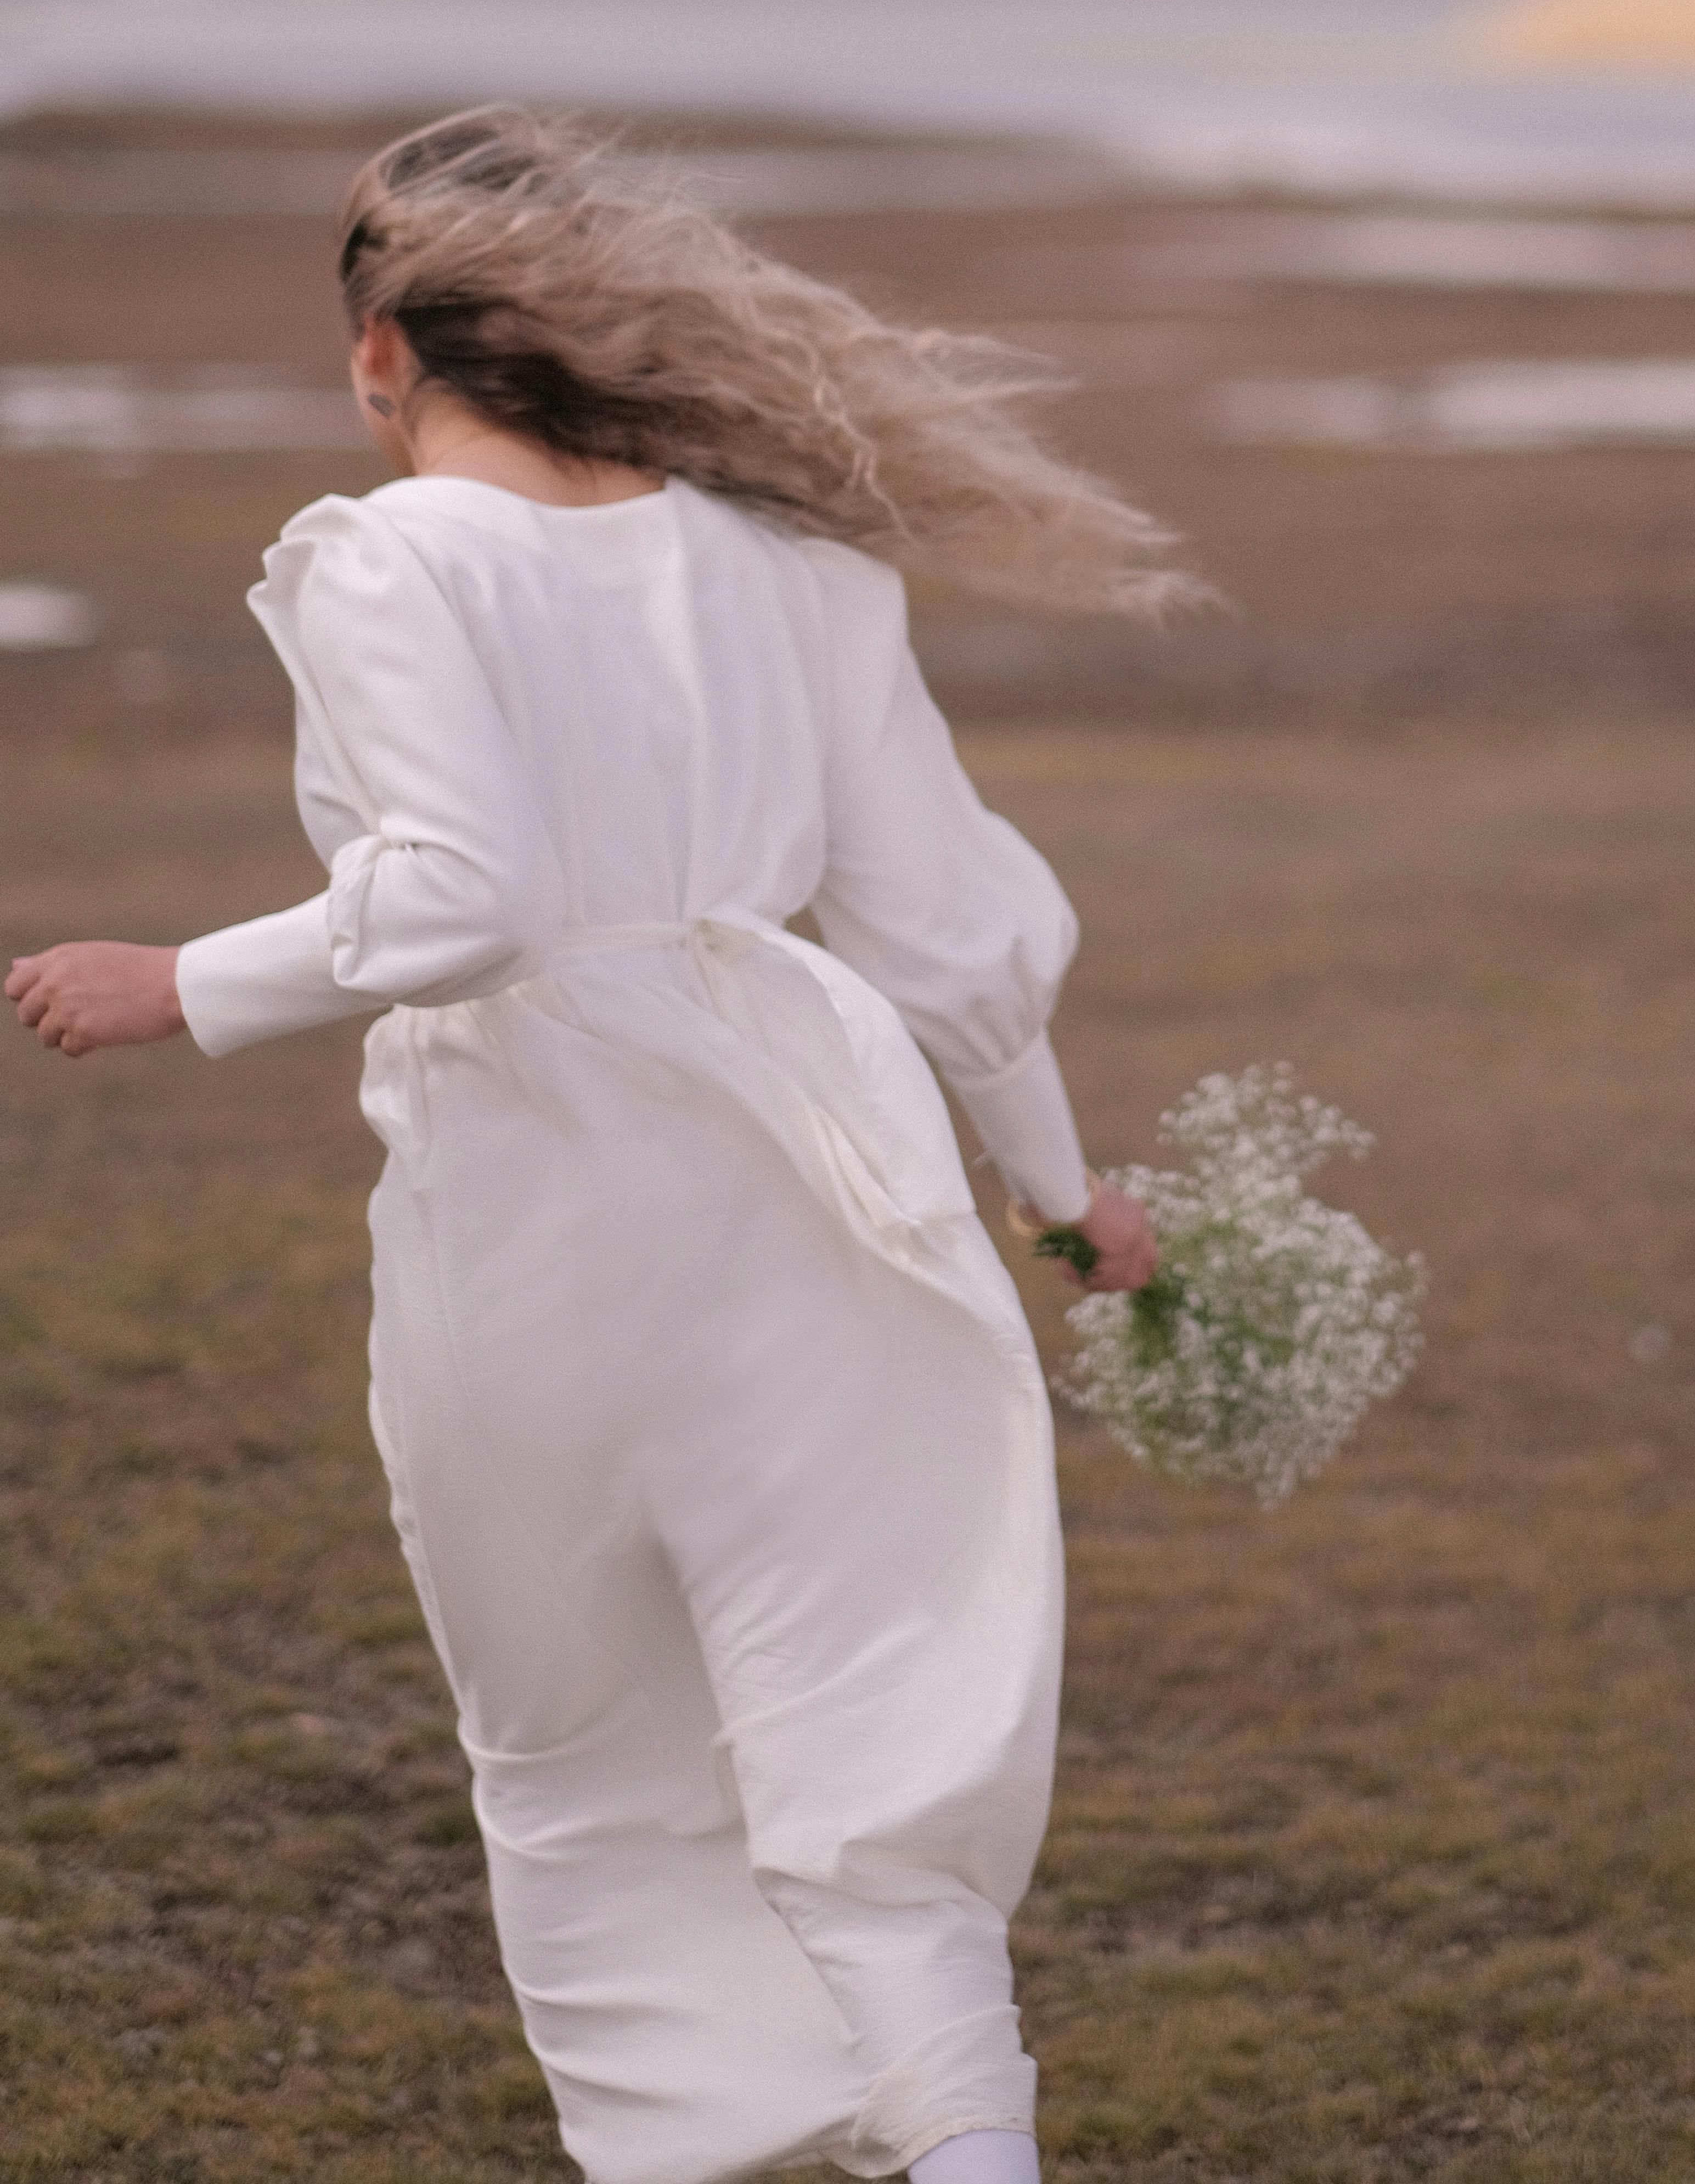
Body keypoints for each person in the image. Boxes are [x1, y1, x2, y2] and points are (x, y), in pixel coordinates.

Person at [7, 109, 1182, 2184]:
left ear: (384, 352)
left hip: (544, 1207)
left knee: (582, 1765)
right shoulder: (797, 563)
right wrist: (1059, 1191)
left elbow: (469, 899)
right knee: (865, 1752)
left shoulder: (389, 558)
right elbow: (943, 934)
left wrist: (180, 977)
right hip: (820, 1168)